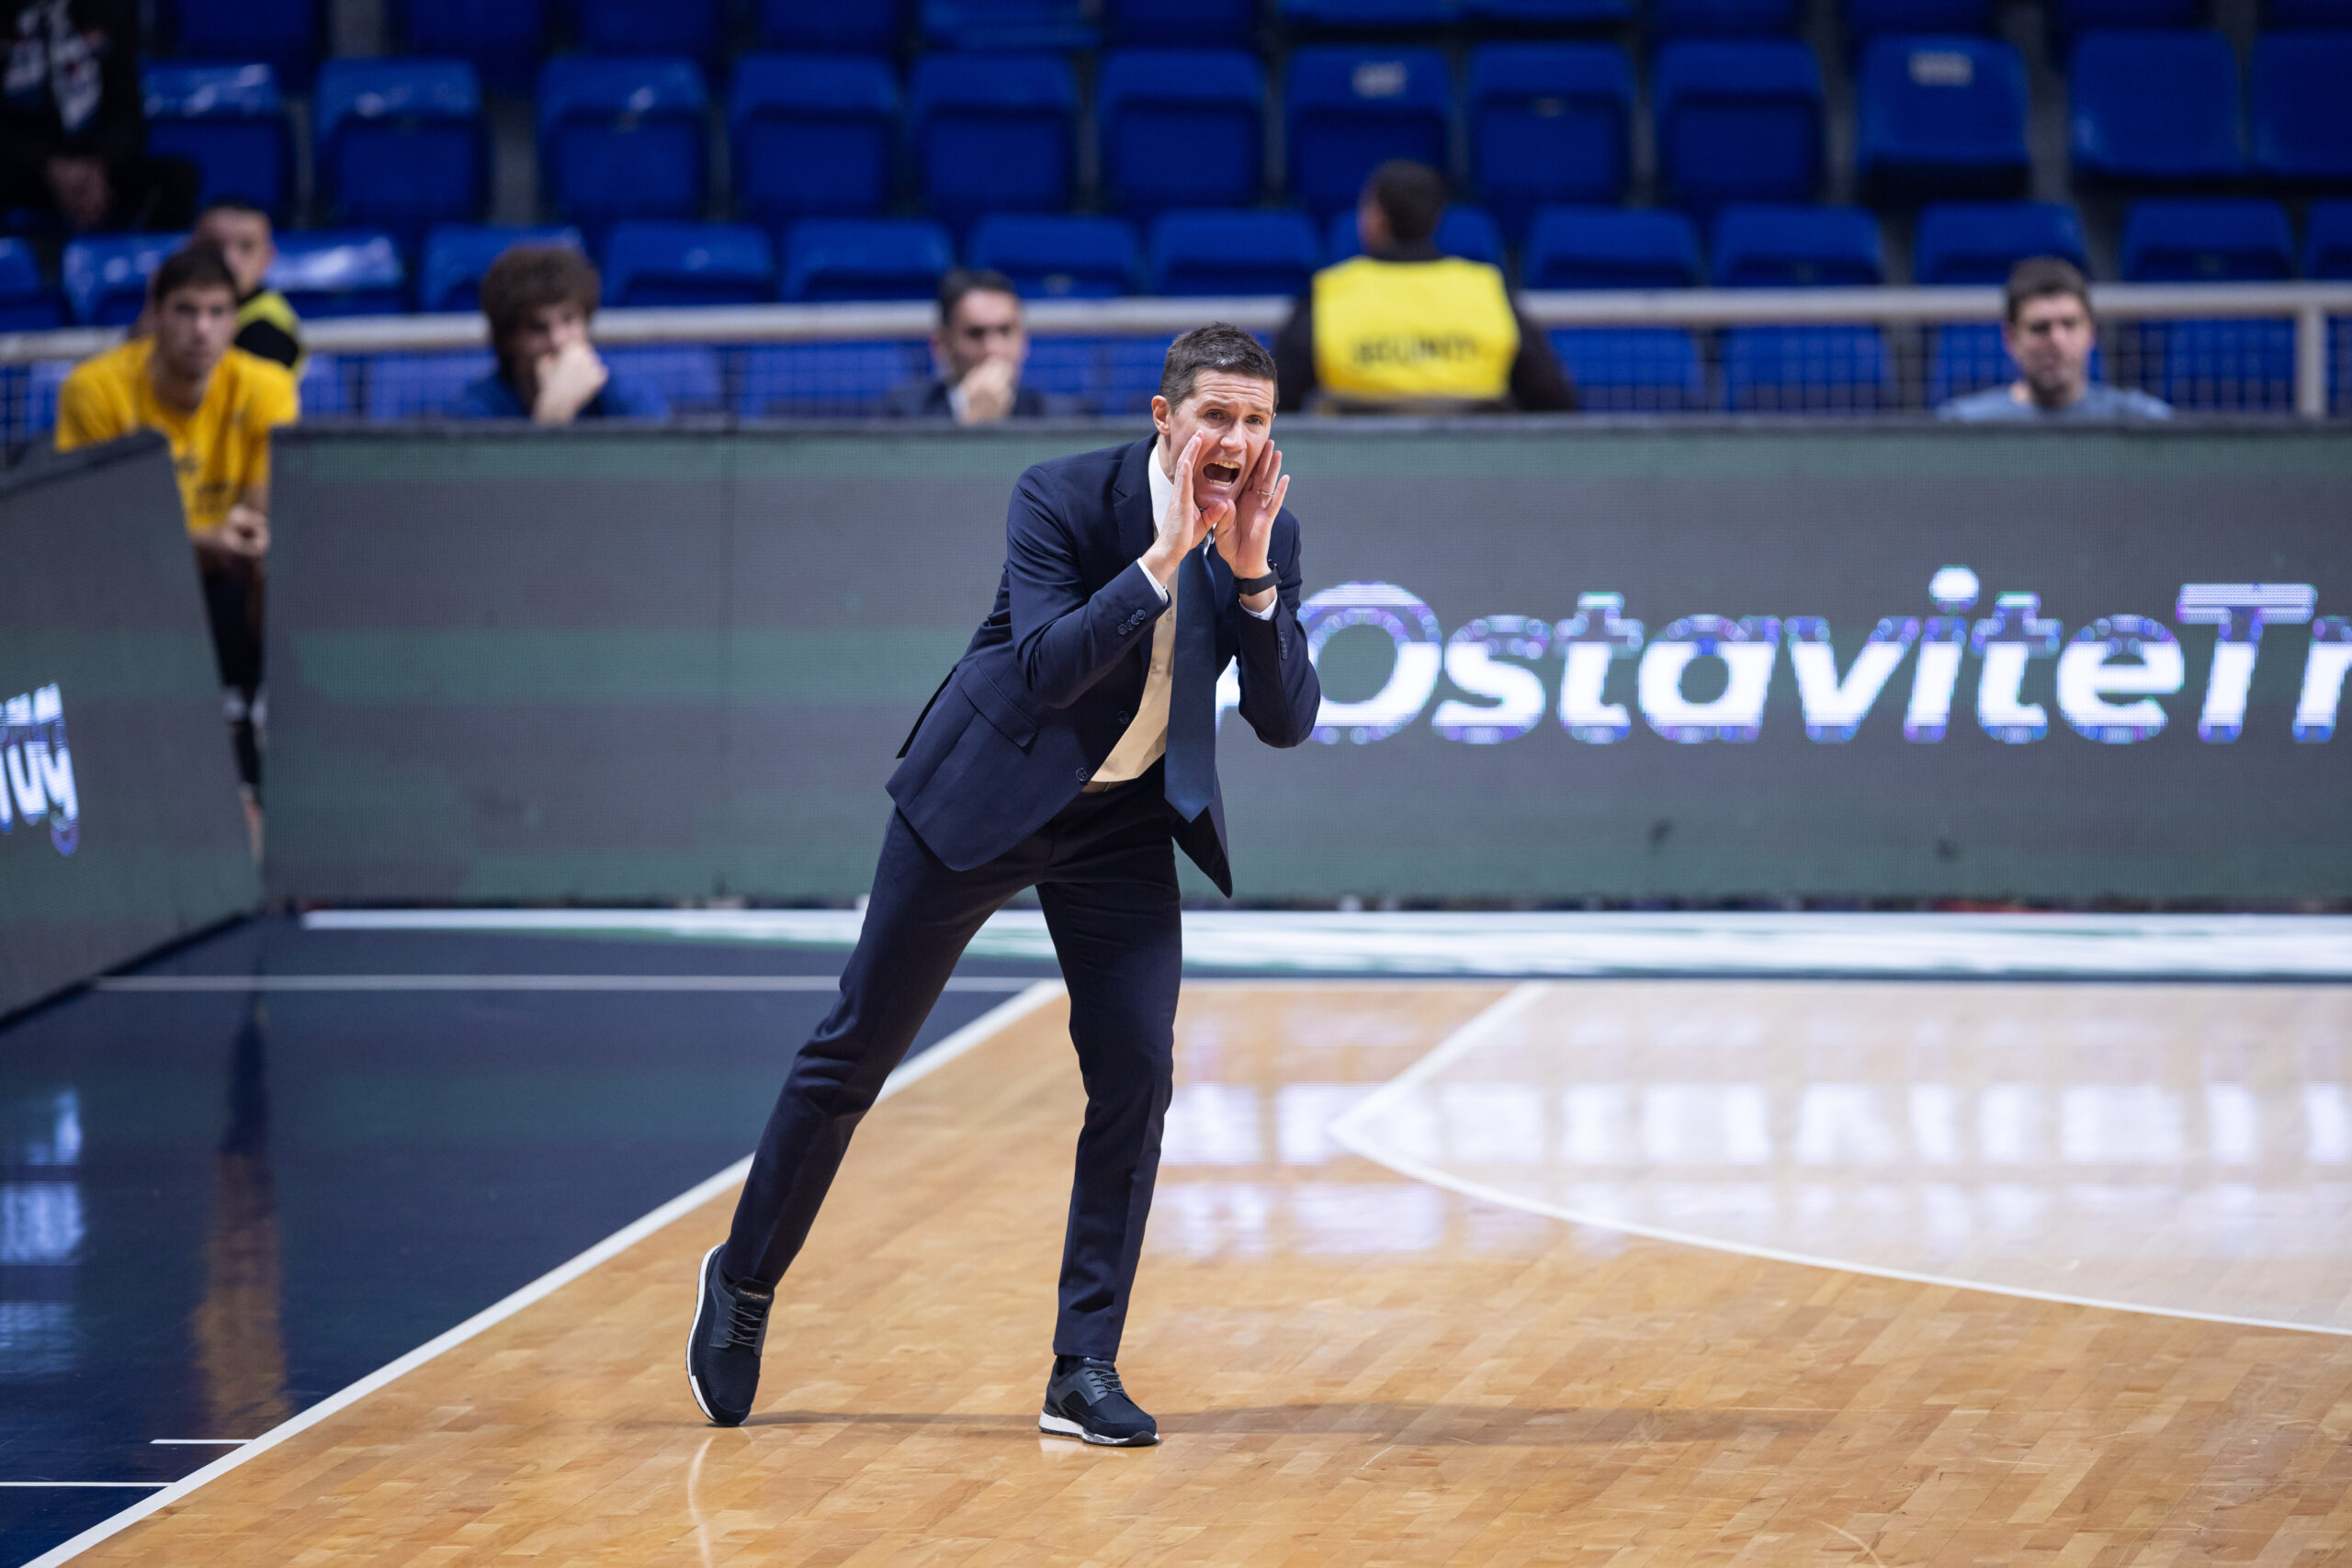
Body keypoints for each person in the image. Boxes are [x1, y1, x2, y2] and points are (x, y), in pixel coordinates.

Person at [688, 323, 1323, 1447]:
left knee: (1136, 1074)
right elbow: (1043, 671)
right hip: (985, 796)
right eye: (1217, 415)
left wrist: (1256, 579)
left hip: (1123, 824)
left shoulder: (1261, 529)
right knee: (854, 1053)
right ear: (1163, 417)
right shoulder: (1061, 500)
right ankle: (742, 1280)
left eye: (1257, 420)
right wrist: (1163, 560)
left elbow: (1283, 724)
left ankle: (1082, 1367)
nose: (1236, 439)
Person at [55, 244, 299, 794]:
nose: (202, 329)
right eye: (186, 311)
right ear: (156, 314)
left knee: (279, 567)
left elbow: (259, 513)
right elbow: (93, 529)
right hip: (131, 579)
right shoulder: (95, 391)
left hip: (228, 578)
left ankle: (264, 747)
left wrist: (240, 540)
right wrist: (201, 539)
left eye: (217, 312)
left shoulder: (267, 387)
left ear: (236, 320)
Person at [1274, 159, 1575, 414]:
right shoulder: (1486, 290)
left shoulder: (1331, 293)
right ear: (1436, 218)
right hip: (1472, 478)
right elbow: (1555, 402)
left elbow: (1276, 402)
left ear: (1375, 219)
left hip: (1355, 477)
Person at [0, 0, 197, 234]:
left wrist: (98, 166)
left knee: (178, 181)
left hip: (98, 166)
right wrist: (48, 165)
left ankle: (154, 268)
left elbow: (127, 111)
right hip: (20, 165)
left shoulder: (110, 10)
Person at [1937, 257, 2172, 422]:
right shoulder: (1965, 425)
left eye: (2069, 324)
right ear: (2011, 338)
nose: (2057, 340)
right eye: (2040, 328)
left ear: (2090, 332)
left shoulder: (2142, 422)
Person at [450, 244, 667, 422]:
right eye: (538, 328)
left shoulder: (628, 397)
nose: (558, 340)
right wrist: (554, 413)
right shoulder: (476, 410)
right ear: (509, 339)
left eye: (569, 320)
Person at [881, 268, 1081, 422]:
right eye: (975, 334)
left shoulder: (1060, 416)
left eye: (1005, 331)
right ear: (941, 343)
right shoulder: (902, 414)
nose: (993, 348)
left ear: (1023, 340)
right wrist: (973, 425)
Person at [193, 197, 301, 372]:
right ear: (191, 248)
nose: (229, 260)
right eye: (214, 246)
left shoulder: (268, 328)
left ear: (267, 257)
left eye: (246, 247)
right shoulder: (167, 302)